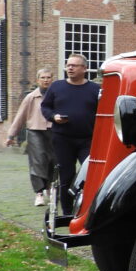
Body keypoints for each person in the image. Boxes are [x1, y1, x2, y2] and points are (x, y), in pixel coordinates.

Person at [41, 54, 100, 216]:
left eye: (74, 65)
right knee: (66, 176)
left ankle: (88, 209)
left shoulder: (95, 89)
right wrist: (54, 117)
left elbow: (103, 112)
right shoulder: (56, 87)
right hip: (62, 139)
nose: (70, 68)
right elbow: (45, 107)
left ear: (84, 69)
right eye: (68, 65)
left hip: (88, 139)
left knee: (90, 174)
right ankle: (67, 212)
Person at [6, 68, 58, 207]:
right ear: (37, 80)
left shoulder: (57, 95)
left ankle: (49, 187)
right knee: (38, 160)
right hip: (35, 131)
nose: (46, 80)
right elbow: (20, 116)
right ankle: (39, 193)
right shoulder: (31, 97)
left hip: (53, 130)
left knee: (53, 160)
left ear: (52, 79)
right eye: (43, 77)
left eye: (48, 77)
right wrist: (11, 135)